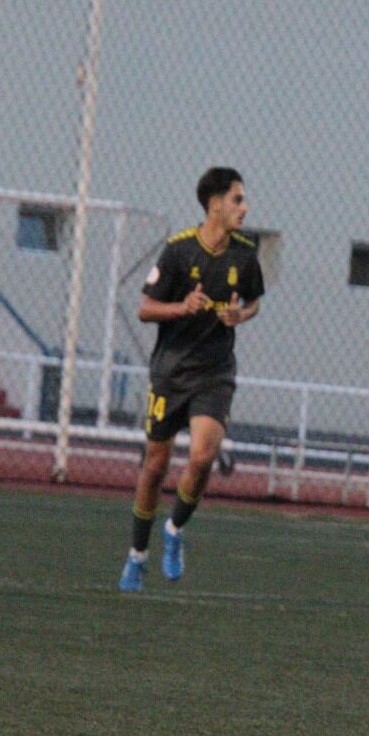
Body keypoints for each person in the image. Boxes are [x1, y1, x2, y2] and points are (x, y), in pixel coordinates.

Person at [117, 167, 264, 592]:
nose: (244, 207)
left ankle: (175, 531)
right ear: (214, 204)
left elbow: (254, 302)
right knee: (155, 467)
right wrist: (182, 307)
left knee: (202, 457)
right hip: (170, 373)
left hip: (214, 373)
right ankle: (137, 557)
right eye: (237, 199)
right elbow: (146, 308)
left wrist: (241, 314)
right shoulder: (179, 251)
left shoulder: (244, 253)